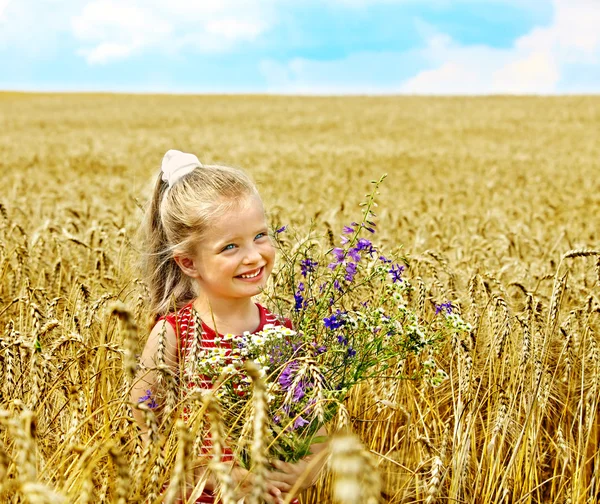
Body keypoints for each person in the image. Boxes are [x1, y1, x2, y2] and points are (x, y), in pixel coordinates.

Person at [131, 149, 327, 504]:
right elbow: (146, 432)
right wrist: (214, 475)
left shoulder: (282, 335)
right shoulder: (174, 333)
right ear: (189, 262)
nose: (253, 256)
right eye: (231, 247)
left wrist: (306, 470)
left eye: (261, 236)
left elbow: (318, 433)